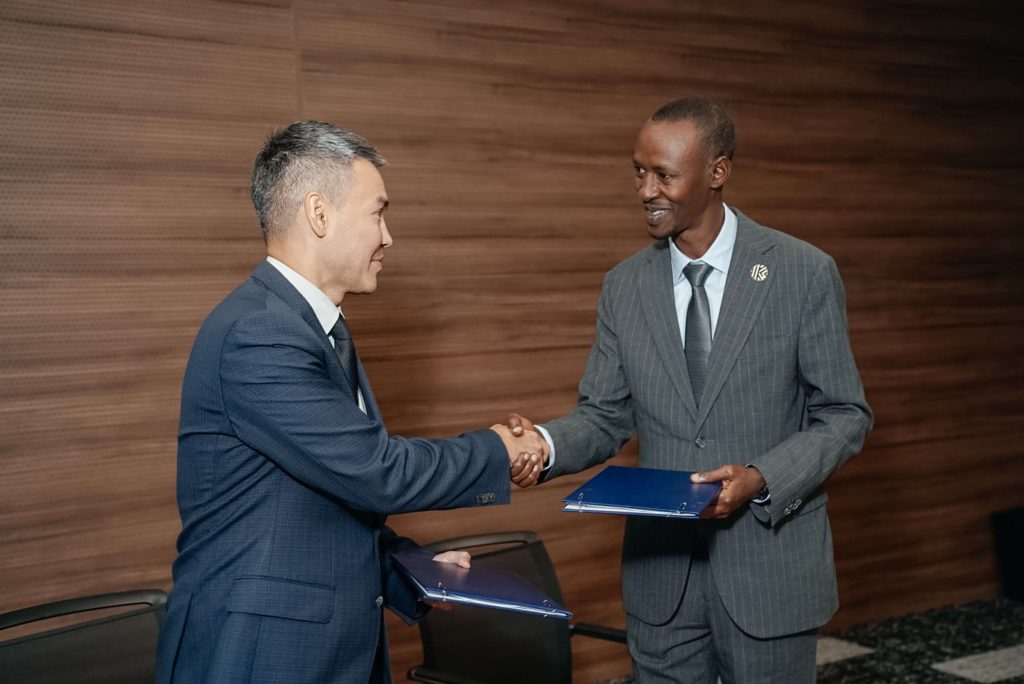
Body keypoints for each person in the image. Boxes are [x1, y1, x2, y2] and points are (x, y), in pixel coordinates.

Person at [155, 120, 547, 684]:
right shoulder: (260, 334)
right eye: (377, 213)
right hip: (261, 655)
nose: (387, 237)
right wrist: (499, 449)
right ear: (320, 214)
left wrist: (409, 569)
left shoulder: (309, 327)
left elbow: (316, 502)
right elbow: (376, 472)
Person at [508, 98, 872, 683]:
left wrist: (760, 477)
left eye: (664, 175)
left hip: (769, 570)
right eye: (638, 171)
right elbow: (603, 416)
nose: (645, 190)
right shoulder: (624, 286)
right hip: (662, 578)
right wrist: (543, 445)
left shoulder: (803, 272)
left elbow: (844, 414)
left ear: (717, 172)